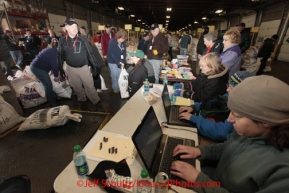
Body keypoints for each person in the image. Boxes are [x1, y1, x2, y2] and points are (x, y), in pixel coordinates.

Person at [171, 75, 289, 193]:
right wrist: (200, 151)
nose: (230, 120)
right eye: (231, 112)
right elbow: (227, 147)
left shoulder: (282, 172)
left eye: (237, 116)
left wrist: (199, 180)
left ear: (265, 122)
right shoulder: (249, 132)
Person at [179, 71, 253, 141]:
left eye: (231, 87)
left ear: (241, 92)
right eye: (228, 85)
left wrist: (194, 119)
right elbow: (212, 102)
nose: (227, 89)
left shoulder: (241, 110)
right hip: (207, 126)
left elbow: (223, 132)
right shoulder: (230, 96)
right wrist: (194, 107)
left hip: (215, 138)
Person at [58, 18, 101, 106]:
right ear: (66, 27)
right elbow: (60, 55)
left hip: (83, 68)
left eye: (75, 26)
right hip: (70, 68)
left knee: (89, 86)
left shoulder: (82, 39)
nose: (74, 28)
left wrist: (95, 66)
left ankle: (95, 101)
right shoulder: (62, 40)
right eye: (71, 26)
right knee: (76, 87)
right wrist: (60, 68)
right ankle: (82, 100)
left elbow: (90, 53)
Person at [30, 42, 59, 107]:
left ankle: (54, 96)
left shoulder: (51, 49)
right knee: (48, 85)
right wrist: (56, 75)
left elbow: (48, 60)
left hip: (37, 67)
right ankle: (52, 102)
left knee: (47, 83)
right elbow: (55, 65)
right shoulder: (53, 52)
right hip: (38, 68)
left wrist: (50, 69)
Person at [106, 29, 127, 94]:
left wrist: (122, 61)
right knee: (114, 75)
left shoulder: (123, 43)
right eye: (121, 38)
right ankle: (115, 88)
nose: (122, 40)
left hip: (119, 61)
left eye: (124, 39)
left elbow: (123, 53)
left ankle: (119, 87)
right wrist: (118, 62)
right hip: (112, 61)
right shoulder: (112, 42)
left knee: (119, 75)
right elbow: (112, 54)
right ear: (118, 36)